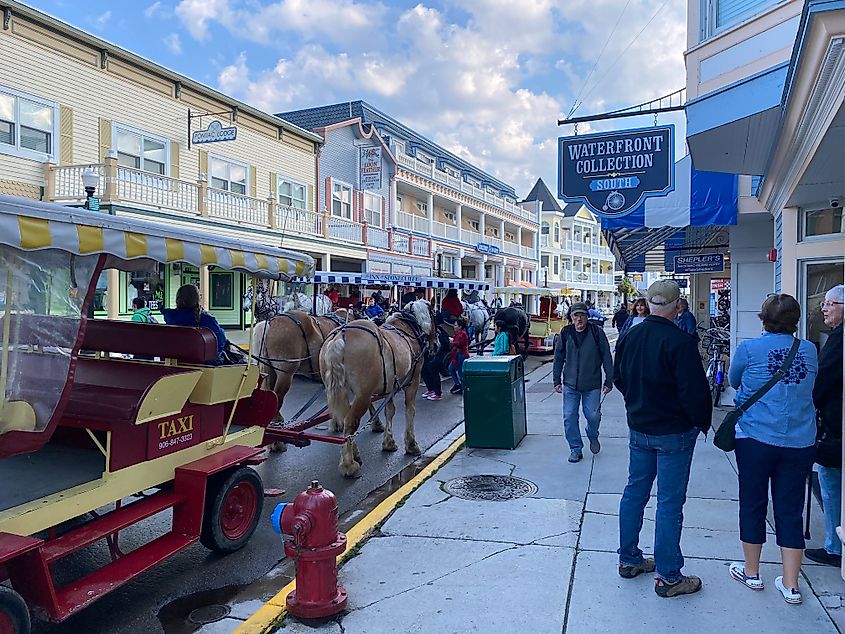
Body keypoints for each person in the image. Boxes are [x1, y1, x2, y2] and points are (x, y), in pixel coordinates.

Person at [614, 279, 712, 598]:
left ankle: (629, 559)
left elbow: (618, 378)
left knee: (634, 492)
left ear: (649, 303)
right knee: (669, 502)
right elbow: (694, 392)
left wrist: (637, 405)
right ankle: (669, 576)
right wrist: (699, 422)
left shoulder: (630, 335)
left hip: (640, 428)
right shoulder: (680, 342)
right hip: (673, 433)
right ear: (676, 305)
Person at [727, 294, 818, 604]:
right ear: (796, 320)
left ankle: (751, 573)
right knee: (790, 508)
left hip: (755, 438)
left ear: (762, 319)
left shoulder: (749, 349)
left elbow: (734, 381)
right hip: (799, 440)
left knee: (752, 502)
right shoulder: (809, 350)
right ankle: (791, 584)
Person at [807, 285, 844, 568]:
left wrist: (808, 403)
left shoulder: (839, 339)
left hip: (836, 426)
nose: (825, 308)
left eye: (830, 304)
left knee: (830, 482)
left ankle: (835, 546)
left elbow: (824, 377)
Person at [552, 302, 613, 463]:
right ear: (571, 318)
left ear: (587, 317)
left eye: (582, 315)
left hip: (592, 384)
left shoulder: (596, 332)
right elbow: (558, 357)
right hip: (570, 384)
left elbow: (606, 356)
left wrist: (609, 380)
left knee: (593, 416)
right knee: (569, 417)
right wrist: (556, 380)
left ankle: (592, 434)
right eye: (576, 315)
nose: (579, 319)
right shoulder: (566, 333)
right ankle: (575, 449)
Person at [162, 284, 227, 363]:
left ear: (177, 300)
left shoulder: (170, 318)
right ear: (198, 300)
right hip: (202, 363)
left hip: (176, 361)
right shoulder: (207, 319)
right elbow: (219, 343)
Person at [421, 314, 451, 401]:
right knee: (424, 368)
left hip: (440, 355)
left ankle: (438, 393)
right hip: (432, 354)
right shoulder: (431, 331)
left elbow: (445, 346)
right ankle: (430, 389)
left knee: (433, 368)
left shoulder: (441, 332)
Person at [449, 318, 469, 395]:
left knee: (460, 371)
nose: (454, 326)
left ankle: (462, 387)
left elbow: (458, 343)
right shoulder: (458, 334)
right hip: (457, 354)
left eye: (455, 325)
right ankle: (458, 384)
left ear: (460, 326)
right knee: (451, 368)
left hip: (461, 354)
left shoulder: (462, 334)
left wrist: (451, 342)